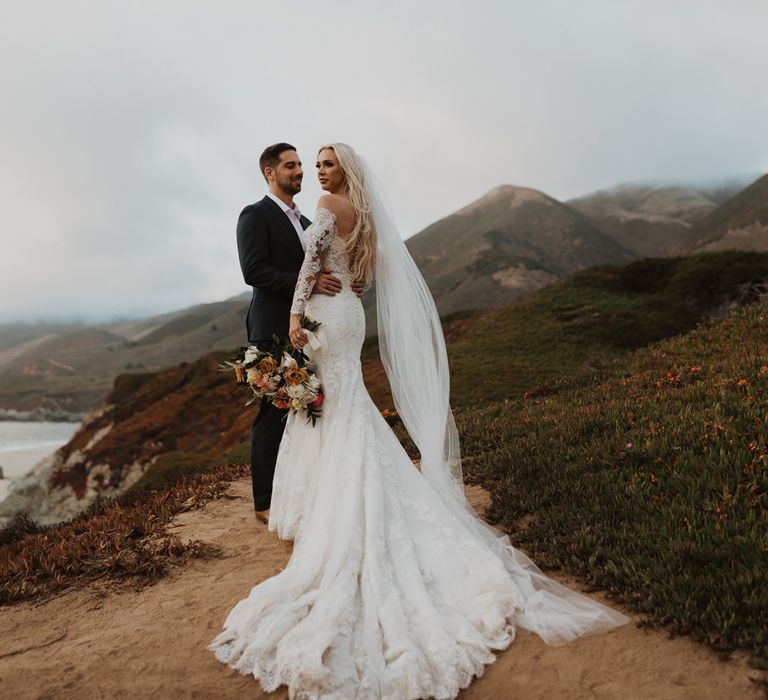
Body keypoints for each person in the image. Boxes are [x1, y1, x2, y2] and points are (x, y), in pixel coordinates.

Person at [210, 143, 630, 698]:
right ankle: (303, 499)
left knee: (329, 407)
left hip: (319, 315)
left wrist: (296, 312)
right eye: (306, 164)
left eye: (323, 163)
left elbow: (313, 264)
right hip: (344, 314)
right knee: (331, 406)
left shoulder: (326, 208)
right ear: (272, 172)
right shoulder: (342, 210)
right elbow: (344, 269)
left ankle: (324, 505)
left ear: (345, 170)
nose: (314, 171)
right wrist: (343, 285)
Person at [235, 142, 363, 523]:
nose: (301, 171)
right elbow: (253, 271)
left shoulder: (309, 222)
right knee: (272, 411)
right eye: (291, 166)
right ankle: (263, 503)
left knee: (307, 408)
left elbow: (328, 262)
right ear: (269, 173)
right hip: (272, 324)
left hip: (309, 329)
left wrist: (347, 281)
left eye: (301, 165)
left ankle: (300, 494)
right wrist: (307, 284)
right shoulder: (254, 215)